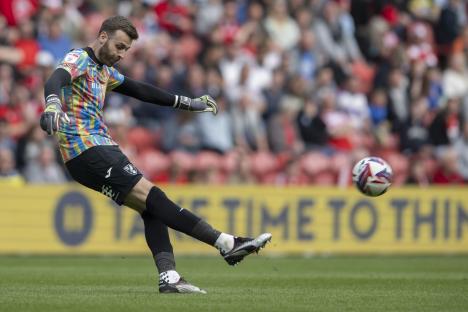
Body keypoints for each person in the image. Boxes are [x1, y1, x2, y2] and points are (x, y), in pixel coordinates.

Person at [39, 16, 271, 294]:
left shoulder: (104, 70)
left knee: (151, 208)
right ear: (102, 37)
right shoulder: (79, 58)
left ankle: (169, 277)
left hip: (90, 153)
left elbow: (139, 90)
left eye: (126, 49)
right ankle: (226, 243)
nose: (122, 54)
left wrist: (188, 103)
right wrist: (52, 104)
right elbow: (57, 78)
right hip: (87, 148)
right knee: (155, 198)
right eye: (119, 46)